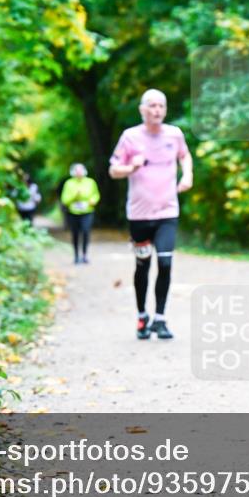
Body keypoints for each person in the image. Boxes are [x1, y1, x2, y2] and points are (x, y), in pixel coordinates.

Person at [109, 89, 193, 340]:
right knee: (143, 266)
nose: (157, 110)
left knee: (166, 262)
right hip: (139, 215)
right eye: (152, 106)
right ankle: (142, 316)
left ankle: (161, 319)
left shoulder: (174, 134)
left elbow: (185, 156)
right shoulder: (130, 137)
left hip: (167, 211)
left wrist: (187, 175)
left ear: (165, 110)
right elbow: (113, 170)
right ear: (142, 109)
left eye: (161, 106)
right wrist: (129, 167)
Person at [61, 163, 100, 264]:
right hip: (73, 212)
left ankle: (84, 255)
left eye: (81, 171)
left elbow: (96, 195)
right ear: (73, 172)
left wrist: (93, 201)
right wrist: (75, 195)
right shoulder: (68, 183)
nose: (79, 173)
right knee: (75, 234)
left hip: (87, 211)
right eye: (77, 171)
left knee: (86, 231)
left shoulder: (90, 182)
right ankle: (76, 256)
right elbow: (64, 200)